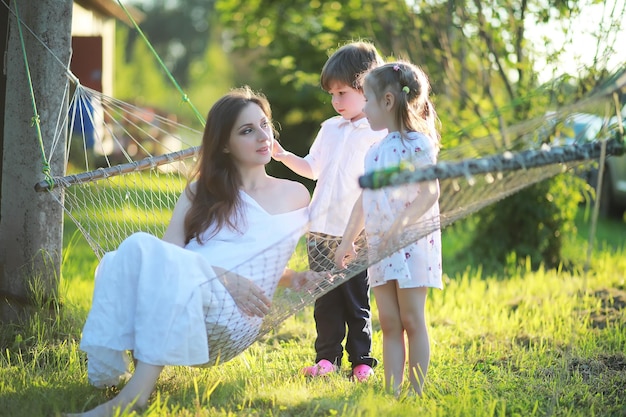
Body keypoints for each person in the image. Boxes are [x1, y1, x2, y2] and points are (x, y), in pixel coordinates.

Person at [65, 86, 320, 417]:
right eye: (247, 130)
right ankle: (122, 380)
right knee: (129, 253)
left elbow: (263, 260)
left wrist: (293, 277)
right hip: (193, 287)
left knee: (142, 249)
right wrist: (226, 278)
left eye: (264, 125)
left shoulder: (296, 194)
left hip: (234, 317)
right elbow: (171, 255)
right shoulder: (202, 190)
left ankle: (132, 399)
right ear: (225, 145)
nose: (263, 136)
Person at [272, 41, 386, 381]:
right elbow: (313, 168)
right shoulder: (329, 129)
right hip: (319, 229)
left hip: (356, 234)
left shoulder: (376, 133)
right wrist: (283, 156)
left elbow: (374, 187)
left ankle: (361, 360)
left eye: (343, 93)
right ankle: (327, 359)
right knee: (324, 299)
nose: (336, 101)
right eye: (332, 95)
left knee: (355, 299)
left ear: (368, 89)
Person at [334, 61, 443, 397]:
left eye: (367, 100)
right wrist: (347, 240)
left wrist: (402, 224)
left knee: (412, 319)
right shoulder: (375, 151)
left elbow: (430, 192)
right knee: (390, 323)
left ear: (388, 101)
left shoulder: (418, 146)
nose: (363, 108)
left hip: (411, 245)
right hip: (381, 247)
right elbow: (364, 201)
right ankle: (392, 390)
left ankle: (416, 389)